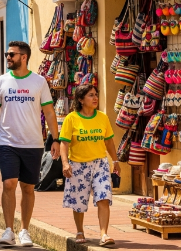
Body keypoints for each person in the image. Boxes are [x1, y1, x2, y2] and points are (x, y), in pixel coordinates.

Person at [0, 41, 60, 247]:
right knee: (9, 183)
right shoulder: (0, 81)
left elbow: (49, 112)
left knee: (28, 187)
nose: (8, 57)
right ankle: (8, 230)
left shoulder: (39, 81)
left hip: (33, 143)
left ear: (24, 57)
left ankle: (24, 230)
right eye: (7, 54)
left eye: (12, 54)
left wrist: (56, 139)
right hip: (7, 142)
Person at [59, 84, 119, 247]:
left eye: (96, 94)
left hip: (100, 164)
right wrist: (65, 163)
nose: (95, 98)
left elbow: (109, 141)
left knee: (104, 197)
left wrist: (115, 160)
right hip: (78, 165)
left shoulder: (102, 117)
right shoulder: (71, 118)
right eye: (91, 95)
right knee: (79, 200)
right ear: (80, 99)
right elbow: (64, 143)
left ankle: (104, 234)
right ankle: (79, 231)